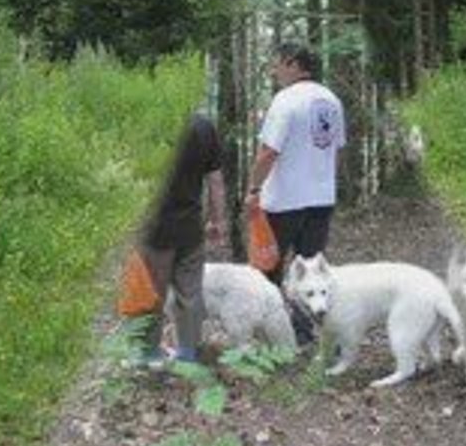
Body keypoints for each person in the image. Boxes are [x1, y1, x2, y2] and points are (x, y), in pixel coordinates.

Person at [245, 42, 346, 345]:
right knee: (310, 271)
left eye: (277, 63)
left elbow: (268, 152)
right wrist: (326, 182)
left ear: (292, 63)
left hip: (284, 200)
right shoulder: (332, 101)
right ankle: (303, 333)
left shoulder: (286, 100)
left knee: (267, 269)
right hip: (321, 199)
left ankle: (270, 336)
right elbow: (337, 152)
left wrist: (253, 189)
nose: (274, 70)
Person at [122, 111, 226, 367]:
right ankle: (187, 353)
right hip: (191, 227)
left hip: (156, 229)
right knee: (190, 293)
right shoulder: (204, 126)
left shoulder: (150, 123)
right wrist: (217, 220)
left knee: (151, 293)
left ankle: (149, 354)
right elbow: (215, 180)